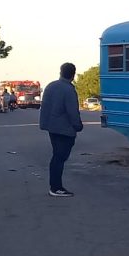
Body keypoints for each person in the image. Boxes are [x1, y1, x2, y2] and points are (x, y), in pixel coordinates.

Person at [39, 63, 83, 197]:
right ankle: (56, 187)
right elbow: (72, 112)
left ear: (60, 72)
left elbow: (45, 107)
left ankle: (55, 186)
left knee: (56, 156)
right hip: (64, 129)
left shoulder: (50, 86)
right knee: (60, 157)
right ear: (73, 74)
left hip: (51, 127)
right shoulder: (69, 90)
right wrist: (78, 126)